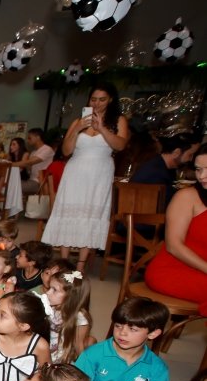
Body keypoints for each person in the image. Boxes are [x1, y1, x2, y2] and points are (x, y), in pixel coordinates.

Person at [42, 83, 130, 271]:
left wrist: (102, 129)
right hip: (75, 170)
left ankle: (81, 264)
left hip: (100, 172)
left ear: (110, 100)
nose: (97, 103)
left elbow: (120, 145)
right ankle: (64, 261)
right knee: (68, 212)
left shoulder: (119, 120)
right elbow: (66, 151)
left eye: (102, 99)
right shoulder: (78, 121)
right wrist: (77, 128)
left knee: (91, 214)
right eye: (93, 99)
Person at [144, 143, 207, 315]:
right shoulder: (187, 196)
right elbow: (174, 246)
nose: (202, 176)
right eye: (199, 169)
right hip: (172, 269)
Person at [131, 133, 198, 206]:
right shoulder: (157, 173)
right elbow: (168, 204)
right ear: (176, 153)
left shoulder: (160, 165)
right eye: (190, 155)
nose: (191, 159)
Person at [11, 128, 55, 195]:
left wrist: (11, 164)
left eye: (29, 138)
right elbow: (28, 167)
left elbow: (30, 162)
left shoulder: (47, 149)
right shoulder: (33, 152)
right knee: (10, 184)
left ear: (38, 137)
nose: (28, 140)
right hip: (31, 180)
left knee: (11, 186)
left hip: (40, 182)